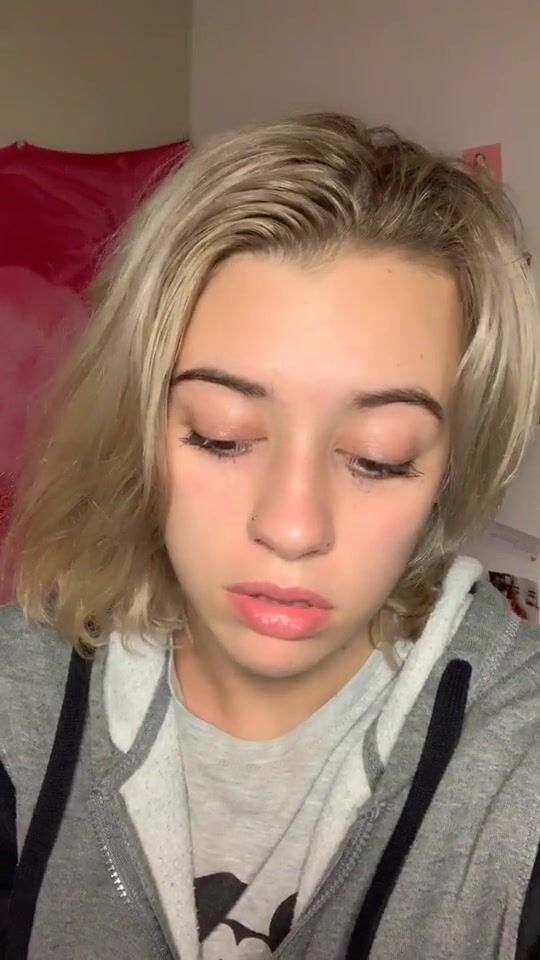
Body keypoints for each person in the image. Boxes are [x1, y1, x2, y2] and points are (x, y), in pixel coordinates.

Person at [0, 113, 539, 960]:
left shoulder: (514, 760)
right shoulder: (15, 702)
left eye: (378, 456)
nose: (291, 528)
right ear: (141, 427)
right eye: (222, 436)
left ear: (447, 470)